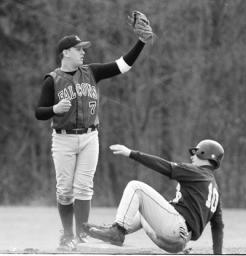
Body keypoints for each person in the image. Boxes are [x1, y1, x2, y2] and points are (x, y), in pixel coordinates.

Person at [34, 11, 153, 252]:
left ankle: (81, 235)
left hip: (90, 137)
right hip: (63, 140)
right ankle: (67, 235)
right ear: (66, 52)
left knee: (84, 187)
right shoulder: (53, 80)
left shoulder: (92, 72)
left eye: (83, 49)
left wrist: (140, 42)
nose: (83, 52)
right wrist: (54, 108)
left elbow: (123, 65)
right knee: (65, 191)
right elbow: (39, 112)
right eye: (79, 49)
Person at [83, 139, 225, 254]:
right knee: (140, 206)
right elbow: (218, 226)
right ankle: (115, 230)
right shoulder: (215, 189)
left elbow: (164, 166)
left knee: (135, 187)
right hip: (178, 242)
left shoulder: (197, 172)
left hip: (174, 229)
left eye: (195, 152)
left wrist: (131, 153)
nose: (192, 156)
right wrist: (217, 254)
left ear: (204, 153)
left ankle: (117, 231)